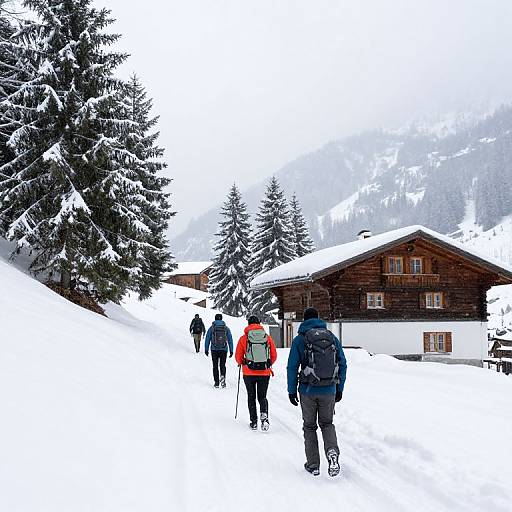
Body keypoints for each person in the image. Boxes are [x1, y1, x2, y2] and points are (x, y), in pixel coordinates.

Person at [287, 307, 347, 478]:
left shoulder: (300, 339)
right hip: (329, 389)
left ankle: (313, 464)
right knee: (327, 424)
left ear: (304, 320)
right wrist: (339, 388)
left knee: (310, 426)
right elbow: (343, 363)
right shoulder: (332, 338)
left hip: (307, 390)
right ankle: (332, 452)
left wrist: (291, 391)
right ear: (318, 319)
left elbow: (292, 367)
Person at [235, 315, 277, 431]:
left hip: (248, 372)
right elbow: (274, 355)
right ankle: (264, 416)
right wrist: (267, 364)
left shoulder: (244, 338)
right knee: (262, 396)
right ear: (259, 324)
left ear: (248, 324)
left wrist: (243, 362)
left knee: (251, 396)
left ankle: (253, 421)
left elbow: (238, 357)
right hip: (264, 372)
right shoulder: (267, 338)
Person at [205, 313, 234, 388]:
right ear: (221, 319)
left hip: (214, 349)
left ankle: (216, 382)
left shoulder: (212, 328)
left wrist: (206, 349)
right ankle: (223, 378)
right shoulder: (225, 328)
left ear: (215, 319)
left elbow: (207, 338)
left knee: (215, 366)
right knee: (222, 365)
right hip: (224, 349)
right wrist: (231, 350)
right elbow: (230, 339)